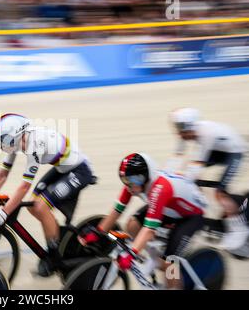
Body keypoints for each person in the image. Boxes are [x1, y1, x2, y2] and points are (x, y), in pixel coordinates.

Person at [0, 113, 95, 276]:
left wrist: (5, 212)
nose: (1, 145)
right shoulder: (18, 141)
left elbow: (23, 187)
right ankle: (56, 235)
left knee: (40, 206)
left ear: (15, 134)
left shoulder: (35, 145)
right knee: (32, 206)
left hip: (79, 171)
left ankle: (55, 256)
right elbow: (2, 175)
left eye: (3, 140)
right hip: (63, 169)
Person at [79, 153, 208, 289]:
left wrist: (131, 253)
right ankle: (154, 258)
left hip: (190, 217)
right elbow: (117, 210)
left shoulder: (160, 188)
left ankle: (172, 282)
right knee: (133, 224)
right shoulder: (133, 182)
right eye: (126, 180)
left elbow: (149, 229)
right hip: (169, 208)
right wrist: (98, 231)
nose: (131, 186)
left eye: (135, 180)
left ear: (146, 176)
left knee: (170, 262)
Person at [167, 108, 248, 251]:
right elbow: (177, 157)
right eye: (177, 128)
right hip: (220, 150)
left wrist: (182, 182)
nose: (179, 133)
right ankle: (198, 205)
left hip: (235, 152)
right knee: (191, 177)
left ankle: (238, 229)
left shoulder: (206, 134)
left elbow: (198, 163)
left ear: (190, 126)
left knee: (219, 192)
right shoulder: (186, 133)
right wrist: (165, 177)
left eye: (181, 129)